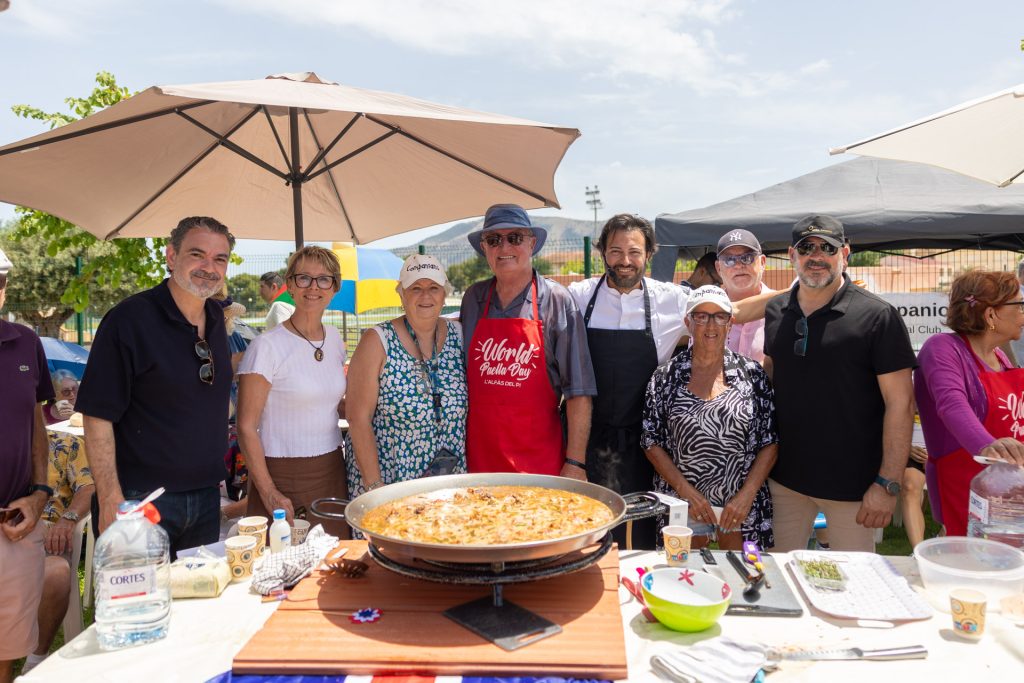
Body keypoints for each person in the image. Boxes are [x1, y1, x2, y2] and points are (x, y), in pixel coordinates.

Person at [77, 216, 234, 556]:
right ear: (171, 256)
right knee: (140, 606)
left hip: (206, 497)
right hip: (141, 501)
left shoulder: (217, 317)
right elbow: (97, 415)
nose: (209, 267)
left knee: (201, 607)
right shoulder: (129, 320)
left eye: (219, 259)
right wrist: (109, 498)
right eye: (197, 254)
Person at [763, 215, 916, 552]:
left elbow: (901, 404)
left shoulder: (878, 316)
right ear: (792, 254)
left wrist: (887, 483)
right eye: (807, 248)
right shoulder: (776, 311)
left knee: (856, 592)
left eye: (827, 248)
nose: (816, 256)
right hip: (784, 482)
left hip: (856, 488)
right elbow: (771, 381)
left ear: (844, 253)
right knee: (773, 583)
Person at [460, 204, 596, 479]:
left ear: (532, 243)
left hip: (539, 463)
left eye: (515, 238)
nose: (504, 246)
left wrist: (576, 462)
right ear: (485, 248)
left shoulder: (557, 301)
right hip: (479, 463)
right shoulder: (473, 299)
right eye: (494, 240)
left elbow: (578, 390)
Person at [641, 286, 778, 550]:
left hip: (740, 506)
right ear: (688, 323)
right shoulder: (665, 377)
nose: (710, 325)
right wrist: (687, 493)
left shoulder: (752, 375)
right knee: (685, 581)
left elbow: (770, 441)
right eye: (701, 316)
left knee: (745, 582)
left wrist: (745, 497)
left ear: (731, 322)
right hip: (684, 503)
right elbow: (651, 441)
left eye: (719, 316)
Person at [237, 246, 348, 538]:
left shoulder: (335, 339)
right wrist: (269, 491)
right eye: (304, 278)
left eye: (324, 279)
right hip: (281, 475)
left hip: (332, 469)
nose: (313, 287)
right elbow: (246, 427)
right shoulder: (267, 347)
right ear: (290, 284)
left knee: (333, 569)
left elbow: (333, 403)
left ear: (334, 288)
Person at [346, 254, 468, 496]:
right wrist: (375, 488)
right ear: (401, 294)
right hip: (391, 481)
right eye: (416, 288)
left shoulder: (460, 334)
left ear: (444, 295)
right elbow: (357, 419)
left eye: (433, 287)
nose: (425, 296)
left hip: (450, 481)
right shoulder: (377, 341)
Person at [914, 270, 1024, 536]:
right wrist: (988, 446)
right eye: (1019, 305)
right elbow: (951, 404)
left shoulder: (1001, 357)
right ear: (991, 315)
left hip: (1006, 488)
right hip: (965, 486)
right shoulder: (942, 349)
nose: (1023, 313)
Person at [0, 248, 54, 683]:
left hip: (14, 523)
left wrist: (39, 495)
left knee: (8, 648)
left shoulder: (26, 342)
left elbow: (36, 423)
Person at [21, 428, 95, 674]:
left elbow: (87, 487)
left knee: (57, 573)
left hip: (48, 535)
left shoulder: (66, 444)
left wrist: (68, 519)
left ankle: (36, 661)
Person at [716, 228, 775, 364]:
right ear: (718, 268)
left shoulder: (783, 309)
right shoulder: (705, 313)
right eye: (729, 260)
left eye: (747, 258)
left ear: (763, 263)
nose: (738, 265)